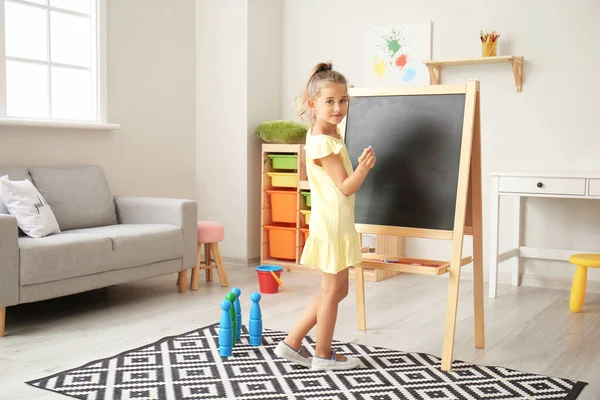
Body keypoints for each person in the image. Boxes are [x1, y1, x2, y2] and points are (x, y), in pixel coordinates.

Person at [274, 62, 376, 371]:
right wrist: (363, 168)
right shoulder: (324, 143)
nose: (338, 107)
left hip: (334, 221)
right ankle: (323, 353)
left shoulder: (324, 132)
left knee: (337, 289)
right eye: (329, 101)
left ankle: (292, 343)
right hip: (333, 223)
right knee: (333, 292)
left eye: (343, 100)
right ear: (312, 104)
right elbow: (345, 187)